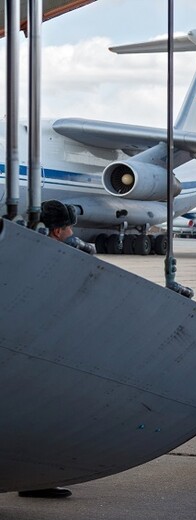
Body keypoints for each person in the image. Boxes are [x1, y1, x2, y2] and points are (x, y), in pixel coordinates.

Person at [16, 200, 91, 500]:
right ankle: (36, 479)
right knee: (42, 416)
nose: (73, 233)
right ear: (58, 230)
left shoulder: (23, 249)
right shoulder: (52, 257)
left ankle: (34, 479)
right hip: (42, 350)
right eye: (70, 227)